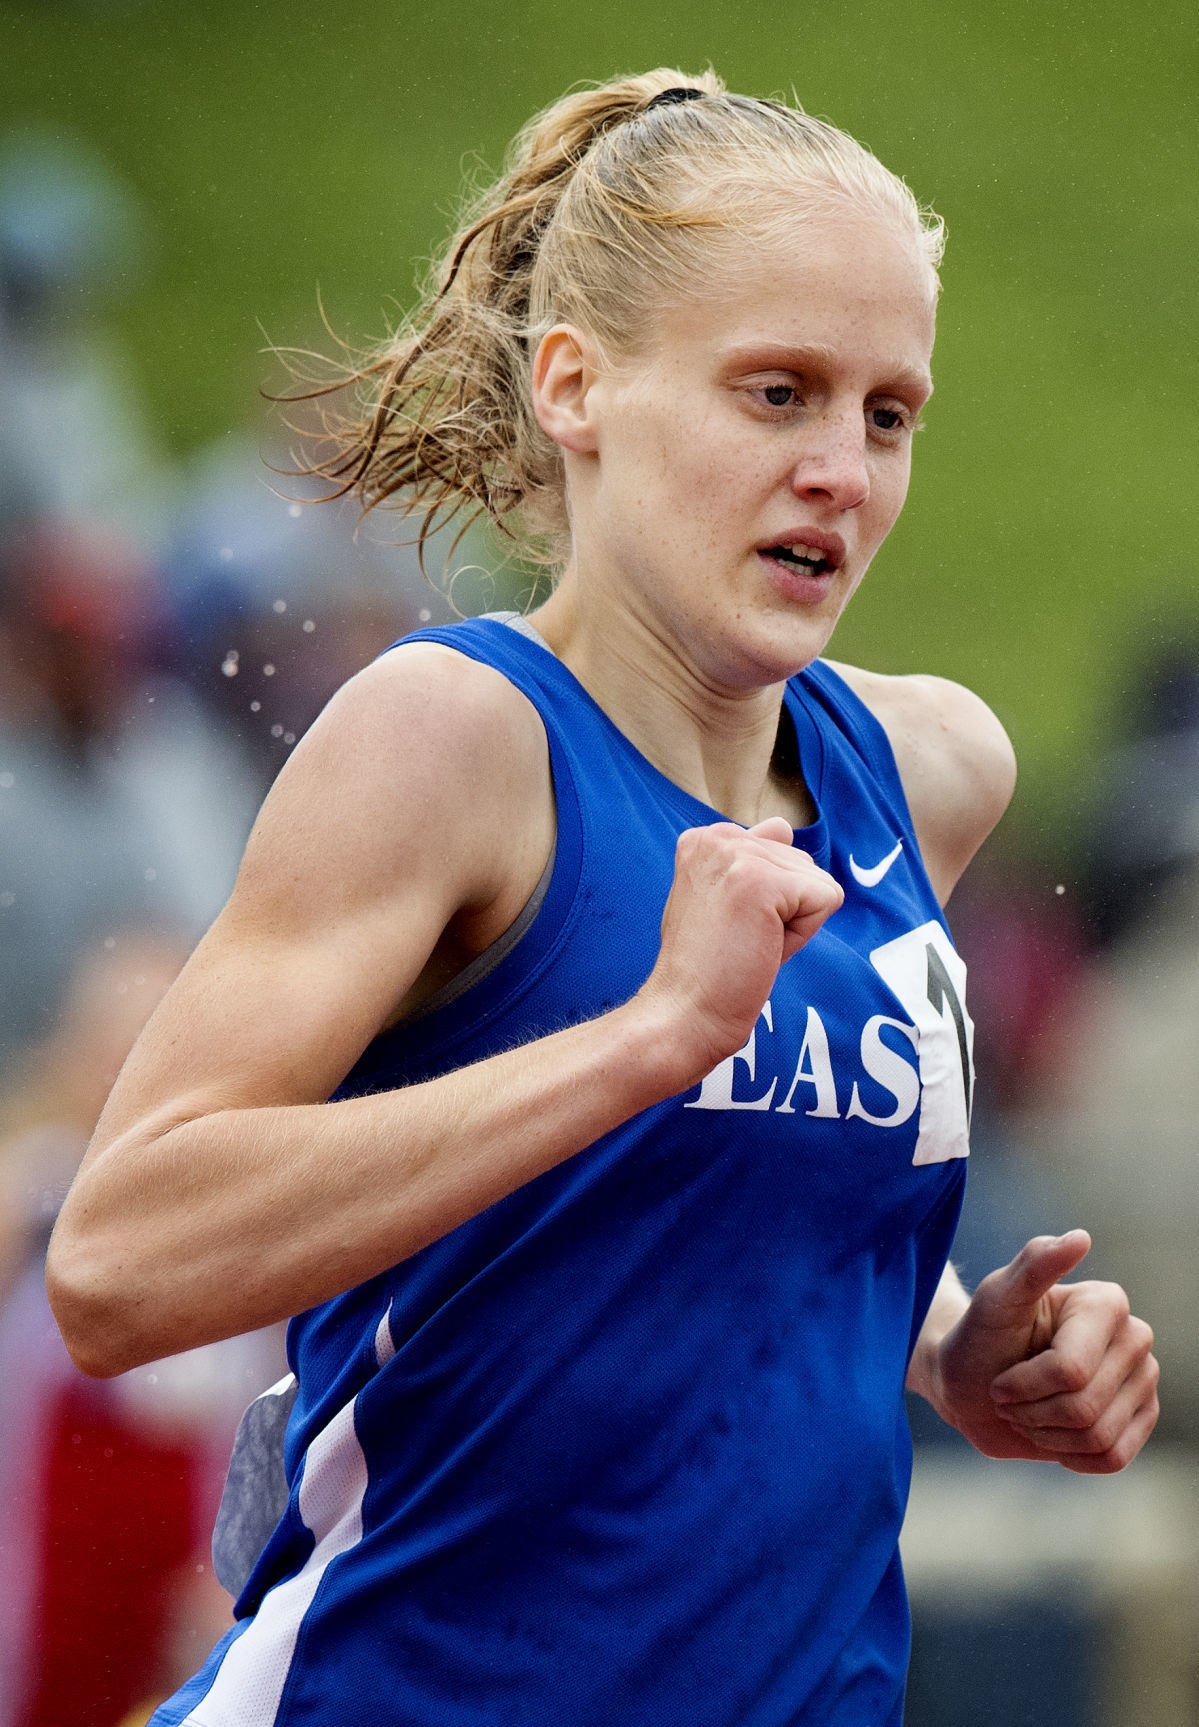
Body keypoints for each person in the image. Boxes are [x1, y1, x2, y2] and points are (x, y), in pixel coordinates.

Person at [46, 69, 1159, 1727]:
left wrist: (951, 1351)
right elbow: (119, 1263)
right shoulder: (457, 740)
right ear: (577, 386)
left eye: (887, 412)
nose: (841, 471)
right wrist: (646, 1035)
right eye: (775, 393)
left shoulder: (929, 771)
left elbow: (705, 1196)